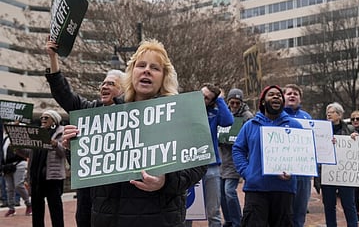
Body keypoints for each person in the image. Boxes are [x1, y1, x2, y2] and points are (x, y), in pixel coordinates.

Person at [62, 39, 208, 227]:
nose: (147, 70)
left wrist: (166, 181)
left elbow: (199, 163)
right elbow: (91, 168)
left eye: (155, 68)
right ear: (132, 73)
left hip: (158, 218)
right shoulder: (106, 114)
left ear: (164, 77)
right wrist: (72, 148)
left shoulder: (180, 115)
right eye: (141, 65)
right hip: (107, 218)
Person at [45, 39, 125, 227]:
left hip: (116, 190)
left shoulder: (131, 114)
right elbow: (63, 93)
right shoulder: (89, 110)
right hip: (88, 189)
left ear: (121, 90)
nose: (104, 87)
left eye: (111, 84)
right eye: (103, 83)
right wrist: (53, 57)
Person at [233, 85, 303, 227]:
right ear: (263, 101)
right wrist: (247, 172)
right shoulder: (250, 125)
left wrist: (293, 171)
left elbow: (303, 153)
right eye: (271, 94)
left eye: (279, 95)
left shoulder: (294, 126)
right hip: (256, 189)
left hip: (284, 189)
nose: (276, 97)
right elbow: (238, 149)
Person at [186, 83, 233, 227]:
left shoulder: (214, 113)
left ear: (211, 101)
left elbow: (228, 121)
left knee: (214, 211)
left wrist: (220, 100)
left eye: (206, 98)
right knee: (188, 210)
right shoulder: (187, 110)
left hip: (211, 165)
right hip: (189, 164)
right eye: (201, 94)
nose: (202, 98)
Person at [219, 88, 253, 227]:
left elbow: (250, 138)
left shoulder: (247, 117)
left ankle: (237, 221)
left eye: (237, 103)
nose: (234, 106)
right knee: (221, 193)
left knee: (229, 191)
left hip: (235, 159)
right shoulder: (223, 113)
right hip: (222, 158)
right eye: (232, 103)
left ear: (241, 103)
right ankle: (229, 220)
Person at [321, 102, 358, 227]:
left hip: (345, 174)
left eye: (332, 112)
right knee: (329, 206)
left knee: (348, 205)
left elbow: (358, 150)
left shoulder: (350, 129)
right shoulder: (322, 130)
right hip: (328, 173)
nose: (328, 114)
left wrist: (355, 139)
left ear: (340, 115)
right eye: (327, 112)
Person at [29, 110, 66, 227]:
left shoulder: (61, 133)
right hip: (37, 178)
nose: (43, 120)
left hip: (53, 178)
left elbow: (65, 153)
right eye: (42, 118)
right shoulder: (37, 134)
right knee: (37, 210)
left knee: (55, 209)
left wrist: (56, 145)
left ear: (54, 120)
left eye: (46, 118)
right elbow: (30, 153)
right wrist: (17, 148)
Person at [282, 84, 313, 227]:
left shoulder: (307, 118)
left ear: (300, 99)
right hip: (283, 172)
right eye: (289, 93)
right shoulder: (277, 116)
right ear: (283, 97)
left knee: (300, 212)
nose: (292, 95)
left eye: (296, 94)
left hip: (303, 174)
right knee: (284, 212)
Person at [1, 121, 32, 217]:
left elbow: (25, 150)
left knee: (19, 184)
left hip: (19, 163)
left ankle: (28, 203)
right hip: (7, 166)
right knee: (9, 188)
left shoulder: (20, 137)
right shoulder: (5, 138)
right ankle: (11, 208)